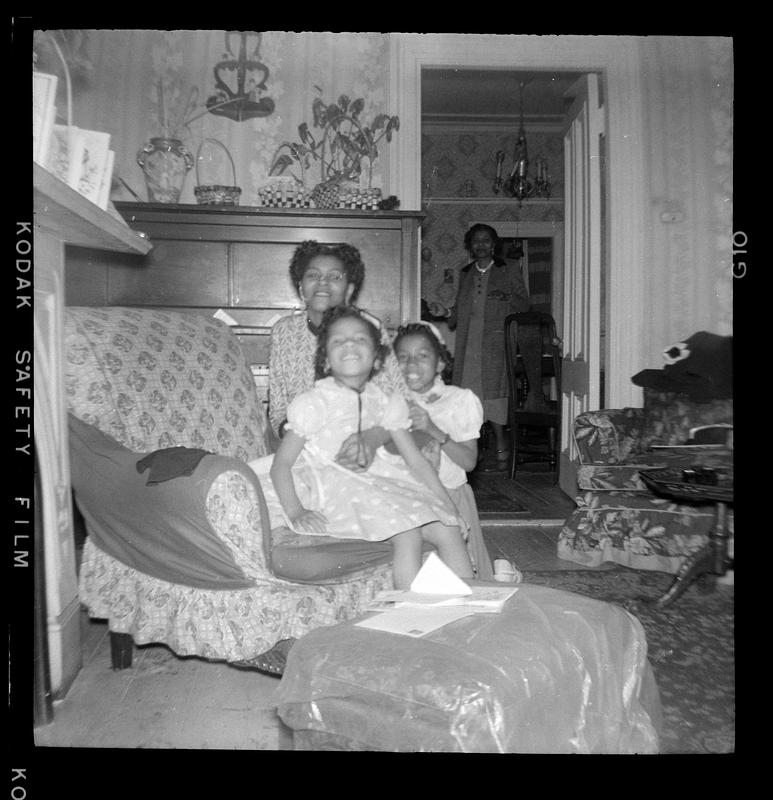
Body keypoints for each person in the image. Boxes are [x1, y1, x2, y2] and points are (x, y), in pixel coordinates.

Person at [253, 306, 473, 589]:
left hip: (381, 483)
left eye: (359, 339)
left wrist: (448, 505)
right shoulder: (315, 403)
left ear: (377, 358)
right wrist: (296, 511)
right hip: (338, 489)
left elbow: (416, 462)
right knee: (407, 534)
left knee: (449, 528)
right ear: (326, 360)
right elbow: (281, 464)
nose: (349, 345)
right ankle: (412, 615)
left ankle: (471, 607)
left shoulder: (385, 402)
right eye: (338, 341)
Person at [268, 240, 423, 471]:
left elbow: (400, 403)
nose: (323, 283)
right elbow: (278, 409)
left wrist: (372, 438)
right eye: (313, 275)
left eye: (334, 277)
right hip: (303, 449)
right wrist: (302, 437)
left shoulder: (369, 328)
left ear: (349, 289)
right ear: (301, 287)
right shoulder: (284, 331)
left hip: (363, 448)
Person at [392, 321, 496, 580]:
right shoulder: (392, 402)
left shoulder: (460, 400)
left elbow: (469, 461)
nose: (411, 365)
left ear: (440, 363)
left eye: (422, 356)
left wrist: (432, 428)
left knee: (458, 575)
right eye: (402, 358)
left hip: (451, 495)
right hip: (407, 498)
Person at [429, 224, 530, 470]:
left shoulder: (509, 269)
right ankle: (471, 446)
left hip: (495, 344)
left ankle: (501, 443)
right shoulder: (465, 273)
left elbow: (524, 303)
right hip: (469, 344)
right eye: (476, 241)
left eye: (486, 240)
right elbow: (459, 311)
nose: (481, 245)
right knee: (468, 395)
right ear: (470, 246)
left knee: (493, 393)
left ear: (494, 244)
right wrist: (446, 312)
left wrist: (507, 299)